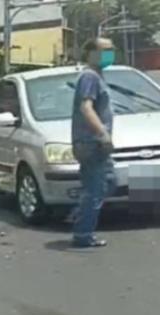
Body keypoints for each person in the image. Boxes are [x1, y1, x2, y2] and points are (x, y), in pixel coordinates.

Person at [71, 37, 116, 248]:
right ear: (90, 53)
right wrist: (102, 134)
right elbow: (86, 108)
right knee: (96, 189)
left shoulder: (98, 76)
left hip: (94, 144)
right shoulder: (89, 77)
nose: (110, 54)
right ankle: (83, 233)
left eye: (112, 50)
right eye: (104, 50)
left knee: (108, 183)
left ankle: (80, 215)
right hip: (92, 144)